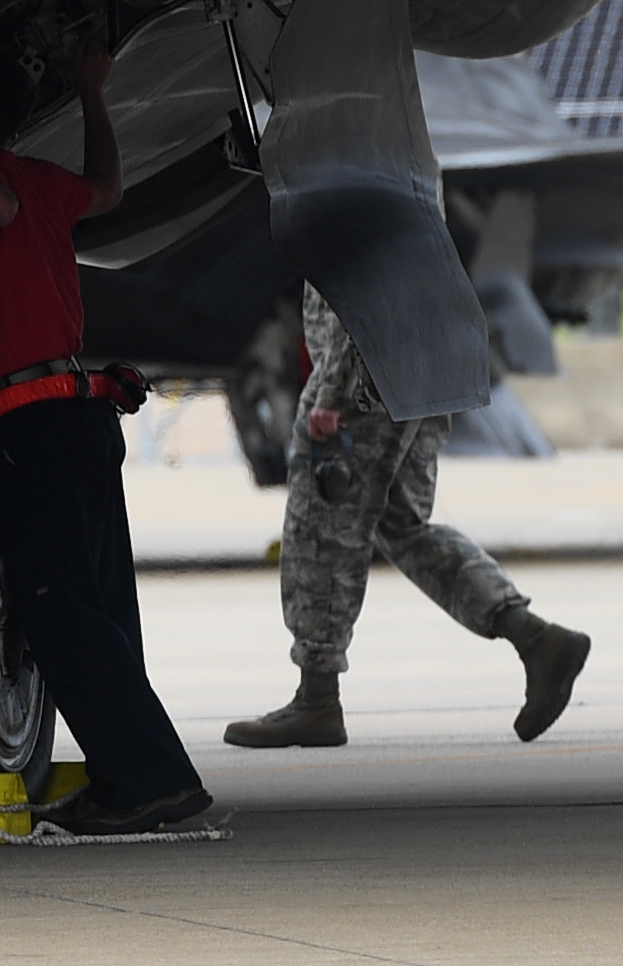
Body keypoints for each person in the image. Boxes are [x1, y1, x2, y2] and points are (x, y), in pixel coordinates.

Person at [0, 40, 215, 841]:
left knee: (56, 611)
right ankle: (132, 779)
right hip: (78, 415)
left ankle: (154, 781)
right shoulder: (41, 183)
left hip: (31, 426)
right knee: (101, 610)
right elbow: (107, 188)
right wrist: (92, 94)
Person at [224, 286, 591, 749]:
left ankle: (316, 696)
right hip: (423, 352)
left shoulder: (346, 207)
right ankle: (535, 639)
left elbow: (357, 272)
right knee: (399, 522)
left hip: (366, 363)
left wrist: (332, 393)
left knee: (322, 521)